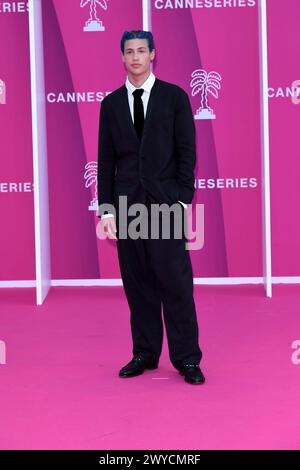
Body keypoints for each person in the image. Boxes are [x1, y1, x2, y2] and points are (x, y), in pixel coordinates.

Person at [97, 30, 205, 385]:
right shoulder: (111, 104)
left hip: (165, 205)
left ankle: (187, 358)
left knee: (175, 282)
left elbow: (187, 153)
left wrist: (181, 198)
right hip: (127, 208)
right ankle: (144, 352)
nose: (136, 57)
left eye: (142, 51)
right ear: (122, 58)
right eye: (129, 52)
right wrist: (107, 210)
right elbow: (106, 160)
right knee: (138, 284)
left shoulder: (174, 97)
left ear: (153, 54)